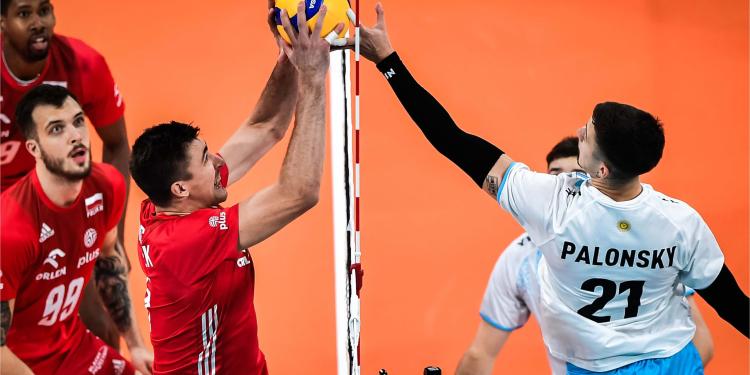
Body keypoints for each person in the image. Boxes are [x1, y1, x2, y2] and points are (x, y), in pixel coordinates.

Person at [345, 4, 748, 373]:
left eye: (586, 137)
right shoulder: (682, 222)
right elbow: (733, 305)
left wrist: (388, 62)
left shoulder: (553, 206)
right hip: (674, 362)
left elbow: (451, 139)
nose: (577, 133)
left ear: (603, 168)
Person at [129, 3, 340, 373]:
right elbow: (299, 193)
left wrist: (288, 57)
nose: (218, 165)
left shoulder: (171, 200)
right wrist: (312, 79)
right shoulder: (185, 242)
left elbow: (265, 128)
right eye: (207, 160)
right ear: (180, 188)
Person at [456, 137, 714, 375]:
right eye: (555, 178)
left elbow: (701, 340)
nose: (565, 188)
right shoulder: (518, 259)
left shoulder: (648, 239)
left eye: (577, 179)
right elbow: (481, 354)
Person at [1, 0, 131, 349]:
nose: (38, 22)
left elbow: (117, 145)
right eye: (24, 13)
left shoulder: (84, 65)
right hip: (8, 216)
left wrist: (111, 235)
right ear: (2, 21)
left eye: (44, 10)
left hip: (58, 199)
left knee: (101, 325)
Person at [0, 85, 152, 374]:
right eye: (57, 129)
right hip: (18, 365)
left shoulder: (107, 185)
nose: (75, 136)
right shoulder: (10, 229)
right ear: (33, 148)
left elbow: (109, 261)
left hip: (74, 348)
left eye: (78, 121)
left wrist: (136, 346)